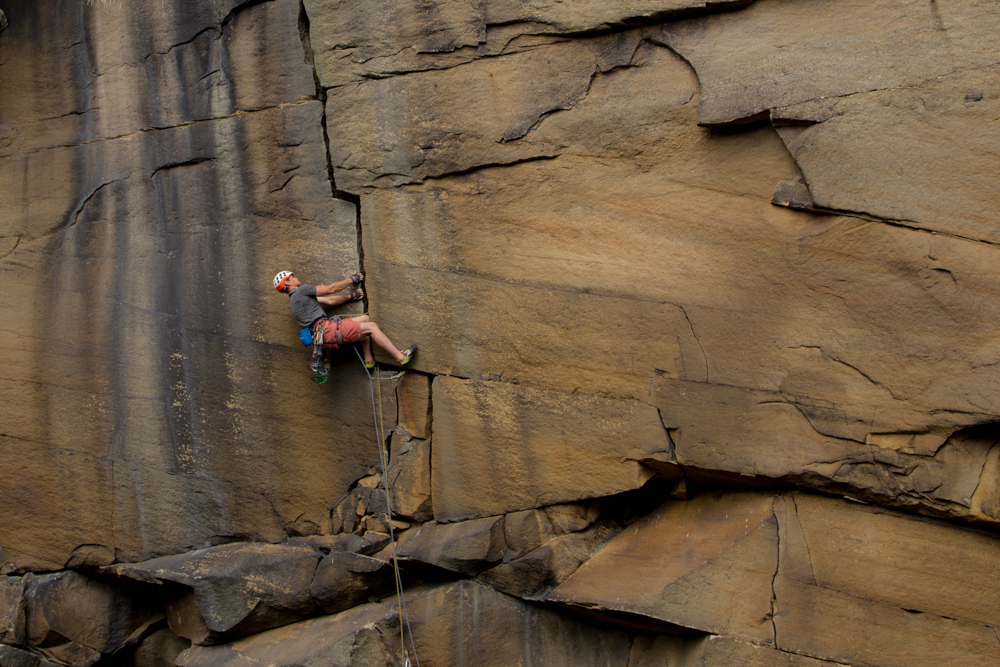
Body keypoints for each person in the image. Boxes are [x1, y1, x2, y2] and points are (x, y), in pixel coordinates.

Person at [273, 270, 416, 369]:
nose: (297, 278)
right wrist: (351, 280)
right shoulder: (301, 290)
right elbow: (331, 289)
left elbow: (328, 301)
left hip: (323, 337)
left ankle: (369, 359)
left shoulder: (296, 300)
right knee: (372, 327)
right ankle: (400, 356)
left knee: (364, 319)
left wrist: (351, 296)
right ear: (287, 282)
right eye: (293, 277)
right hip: (327, 330)